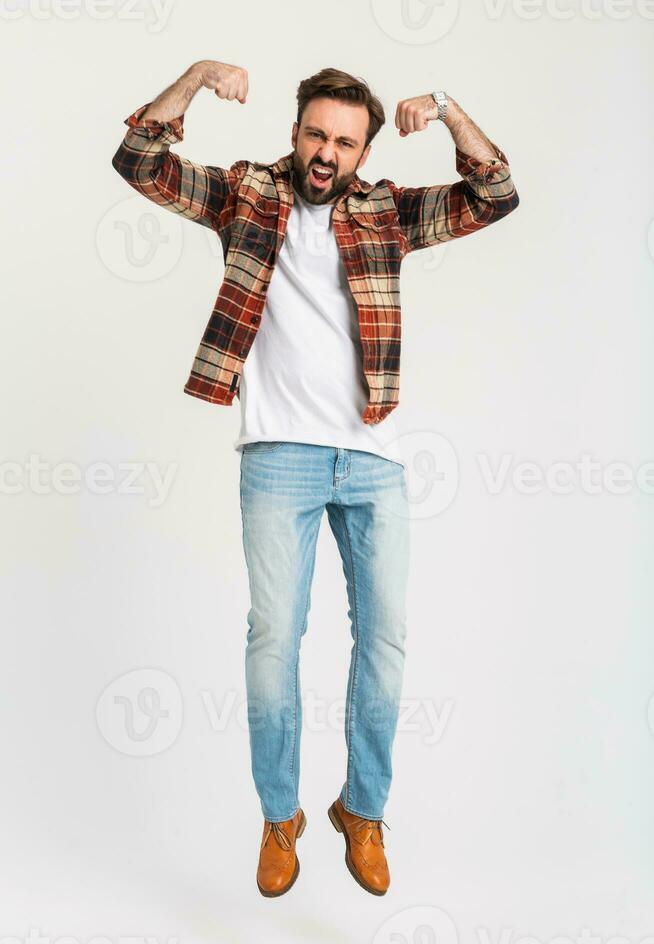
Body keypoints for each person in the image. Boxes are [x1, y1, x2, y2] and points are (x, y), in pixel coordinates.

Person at [112, 61, 519, 898]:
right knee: (273, 641)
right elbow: (140, 162)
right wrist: (190, 81)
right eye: (314, 135)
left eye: (344, 140)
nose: (326, 153)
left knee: (387, 639)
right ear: (294, 132)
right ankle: (278, 817)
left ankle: (361, 811)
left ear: (363, 147)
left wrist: (445, 108)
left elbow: (495, 194)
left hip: (371, 456)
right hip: (279, 456)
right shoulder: (245, 197)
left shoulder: (387, 212)